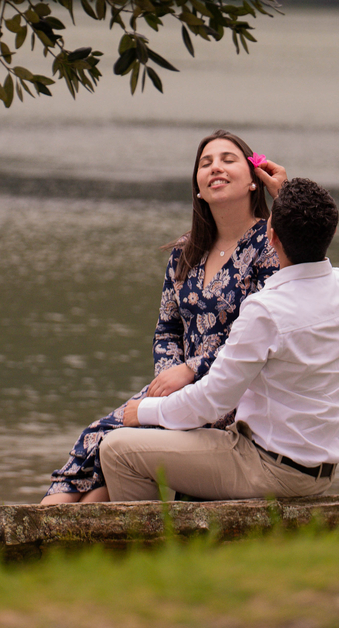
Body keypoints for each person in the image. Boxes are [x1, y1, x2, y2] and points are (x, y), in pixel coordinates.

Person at [40, 131, 285, 504]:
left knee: (112, 444)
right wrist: (168, 377)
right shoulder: (186, 252)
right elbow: (167, 329)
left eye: (228, 159)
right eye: (205, 163)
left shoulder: (270, 247)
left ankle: (37, 546)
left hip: (233, 393)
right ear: (199, 189)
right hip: (179, 390)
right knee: (97, 441)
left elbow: (257, 337)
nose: (215, 167)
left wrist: (191, 371)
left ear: (254, 181)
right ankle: (42, 542)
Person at [99, 176, 339, 502]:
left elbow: (213, 400)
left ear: (272, 235)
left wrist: (147, 410)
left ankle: (154, 550)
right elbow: (309, 224)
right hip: (317, 470)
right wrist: (288, 195)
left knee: (116, 450)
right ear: (331, 233)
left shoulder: (267, 310)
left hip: (269, 469)